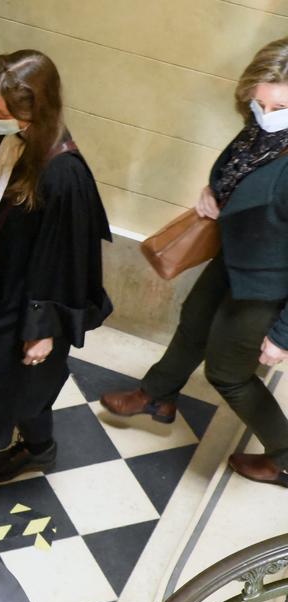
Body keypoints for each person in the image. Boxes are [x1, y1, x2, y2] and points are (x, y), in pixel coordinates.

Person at [101, 37, 288, 487]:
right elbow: (235, 168)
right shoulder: (262, 132)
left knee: (228, 373)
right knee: (192, 324)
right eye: (258, 101)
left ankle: (285, 456)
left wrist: (282, 336)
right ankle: (157, 396)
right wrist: (214, 191)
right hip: (235, 255)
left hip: (268, 284)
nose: (264, 113)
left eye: (277, 105)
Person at [0, 50, 113, 496]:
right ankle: (39, 447)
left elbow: (68, 262)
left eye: (1, 110)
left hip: (21, 305)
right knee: (24, 388)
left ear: (35, 110)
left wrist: (43, 328)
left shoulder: (63, 175)